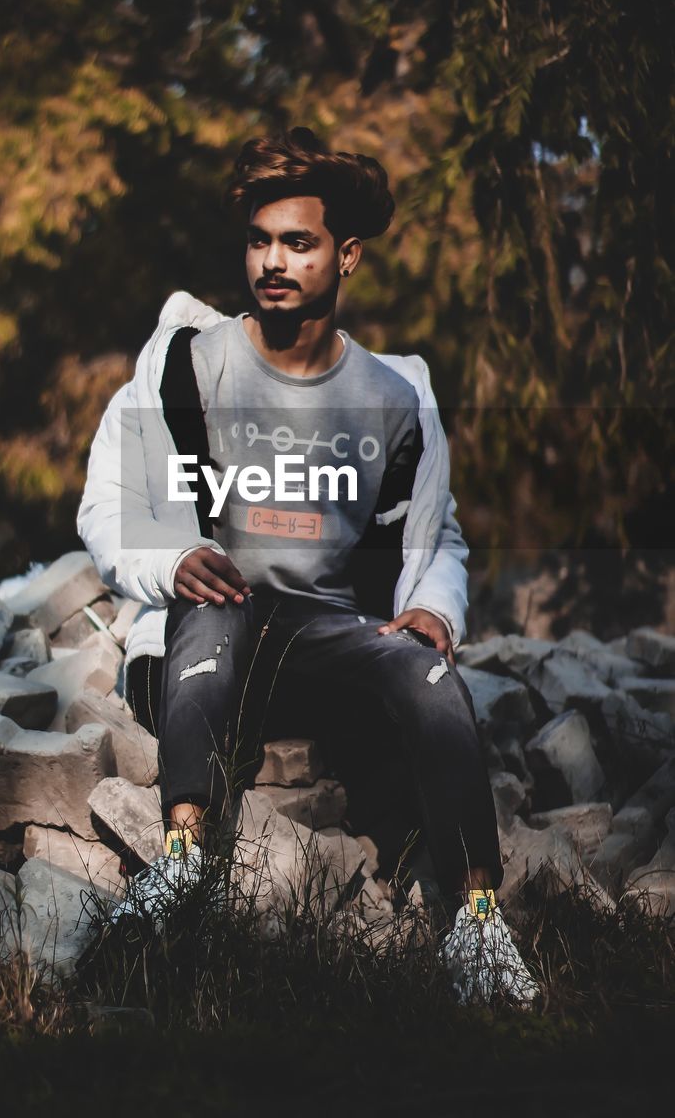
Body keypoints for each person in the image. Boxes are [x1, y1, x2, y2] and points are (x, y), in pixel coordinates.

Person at [77, 127, 539, 1007]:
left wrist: (433, 609)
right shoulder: (186, 360)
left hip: (329, 645)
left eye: (297, 242)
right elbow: (108, 503)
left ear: (347, 255)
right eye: (259, 241)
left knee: (433, 676)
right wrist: (174, 557)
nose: (272, 262)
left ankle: (478, 927)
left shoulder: (394, 394)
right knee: (215, 610)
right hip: (206, 641)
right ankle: (181, 871)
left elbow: (436, 537)